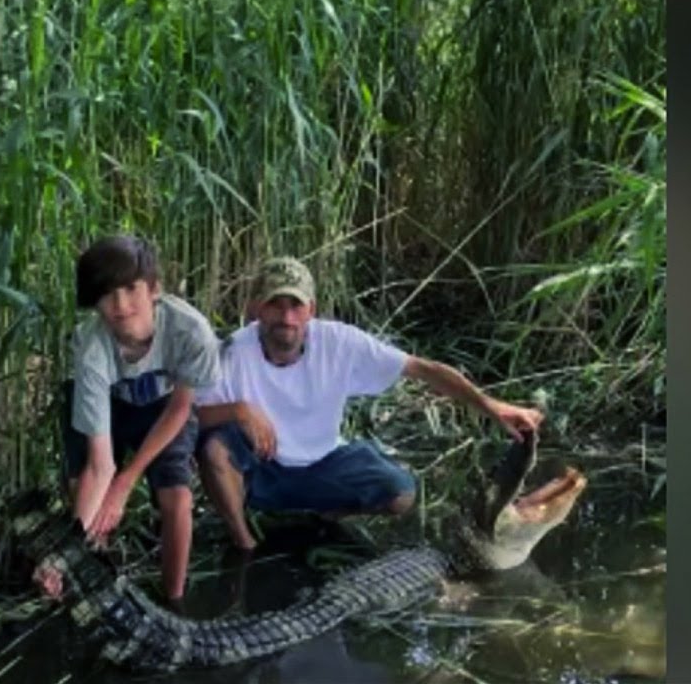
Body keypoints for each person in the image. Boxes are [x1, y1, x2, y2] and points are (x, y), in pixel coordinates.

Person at [194, 256, 544, 551]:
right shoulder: (232, 352)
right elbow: (189, 415)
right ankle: (244, 544)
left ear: (311, 311)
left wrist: (493, 406)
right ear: (256, 308)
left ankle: (328, 514)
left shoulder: (339, 342)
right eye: (275, 304)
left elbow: (423, 369)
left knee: (402, 494)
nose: (286, 318)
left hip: (323, 460)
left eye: (295, 305)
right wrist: (238, 410)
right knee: (214, 449)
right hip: (263, 471)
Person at [32, 235, 220, 605]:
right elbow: (100, 466)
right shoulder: (91, 347)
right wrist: (62, 557)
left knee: (178, 500)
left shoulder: (192, 332)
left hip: (165, 407)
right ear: (94, 301)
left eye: (131, 289)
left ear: (154, 289)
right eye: (106, 294)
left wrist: (126, 483)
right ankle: (90, 580)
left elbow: (182, 409)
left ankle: (174, 601)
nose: (120, 304)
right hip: (110, 407)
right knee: (85, 492)